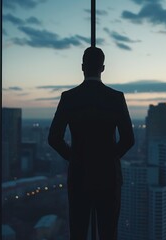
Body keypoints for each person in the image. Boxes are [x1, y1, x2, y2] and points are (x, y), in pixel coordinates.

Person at [48, 47, 134, 240]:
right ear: (102, 68)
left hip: (80, 176)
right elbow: (128, 139)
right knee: (108, 233)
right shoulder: (115, 98)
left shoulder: (69, 98)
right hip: (108, 177)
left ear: (82, 67)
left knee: (78, 233)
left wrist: (76, 158)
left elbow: (54, 138)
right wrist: (108, 158)